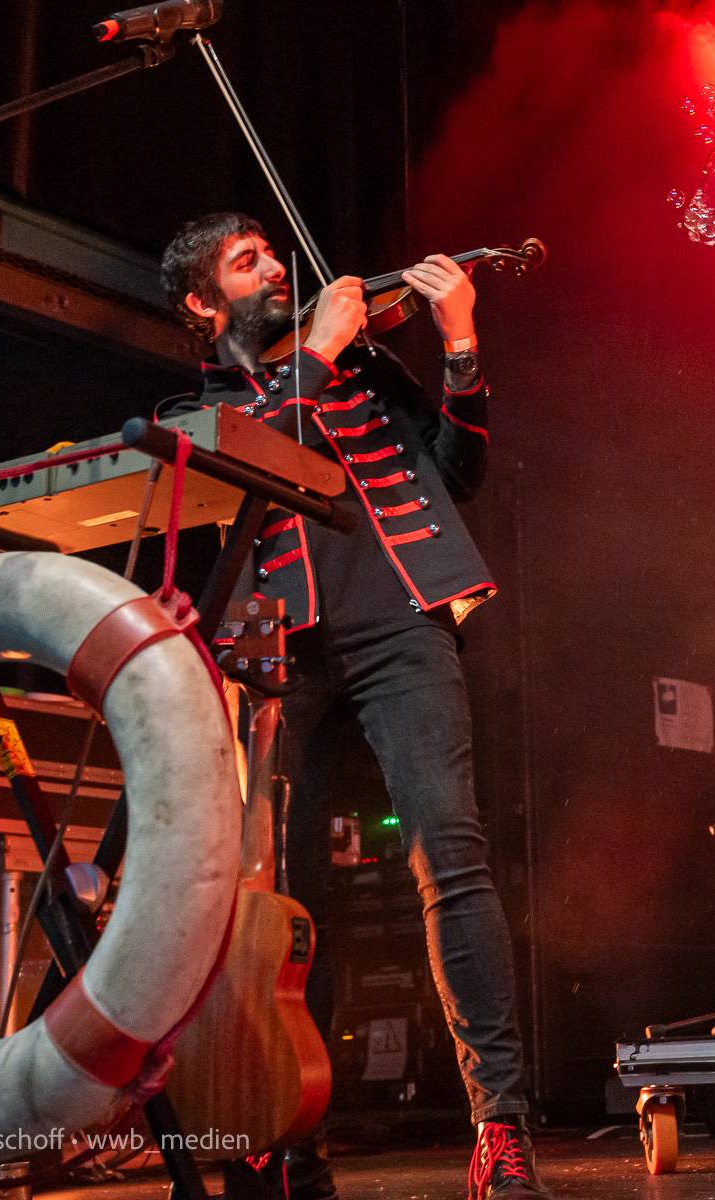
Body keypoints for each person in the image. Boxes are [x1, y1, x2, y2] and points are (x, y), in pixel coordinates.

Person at [160, 213, 548, 1200]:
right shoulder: (202, 404)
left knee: (451, 854)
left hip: (401, 620)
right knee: (291, 901)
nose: (276, 269)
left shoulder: (362, 369)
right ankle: (288, 1142)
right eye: (247, 263)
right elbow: (255, 457)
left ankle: (500, 1130)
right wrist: (319, 353)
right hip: (279, 650)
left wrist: (460, 348)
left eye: (272, 252)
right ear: (203, 304)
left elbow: (457, 475)